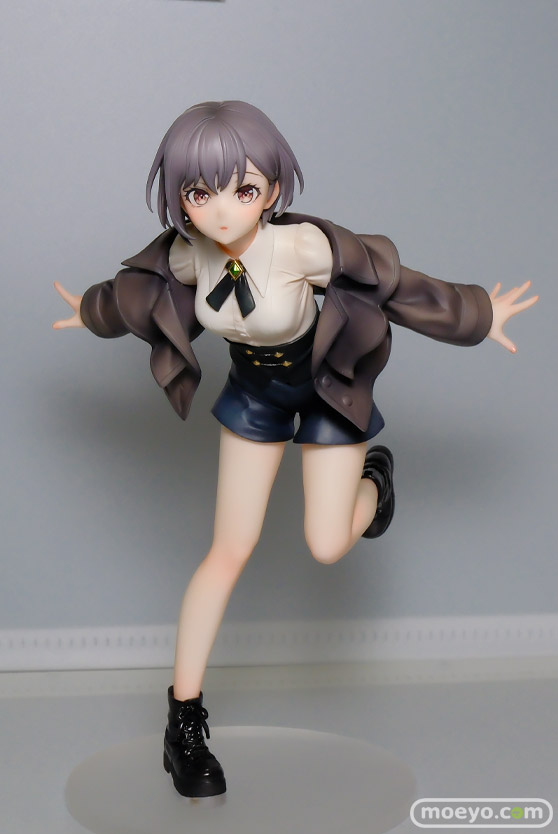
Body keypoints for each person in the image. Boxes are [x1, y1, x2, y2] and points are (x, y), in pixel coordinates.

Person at [53, 100, 538, 798]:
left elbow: (394, 285)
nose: (222, 210)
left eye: (244, 189)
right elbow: (131, 296)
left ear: (273, 189)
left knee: (326, 543)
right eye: (200, 193)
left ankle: (374, 482)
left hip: (327, 387)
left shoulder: (301, 247)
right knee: (228, 550)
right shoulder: (190, 255)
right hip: (255, 391)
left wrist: (478, 314)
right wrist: (89, 311)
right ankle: (182, 727)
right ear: (181, 198)